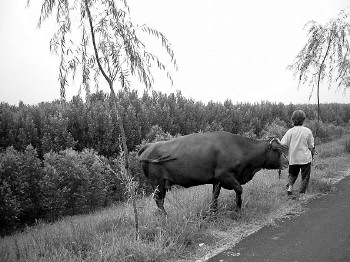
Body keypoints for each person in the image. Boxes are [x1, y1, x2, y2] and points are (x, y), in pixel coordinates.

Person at [281, 110, 315, 198]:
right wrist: (312, 150)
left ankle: (290, 188)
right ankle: (302, 194)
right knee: (305, 176)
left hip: (293, 158)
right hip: (305, 158)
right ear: (303, 120)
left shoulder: (290, 132)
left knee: (292, 174)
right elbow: (311, 145)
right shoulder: (307, 131)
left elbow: (283, 143)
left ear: (293, 120)